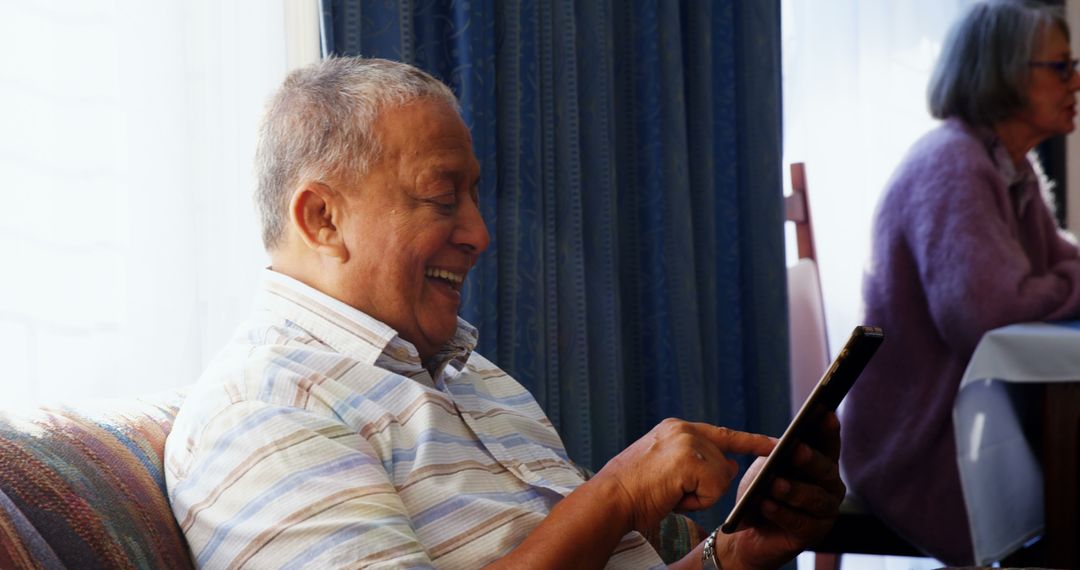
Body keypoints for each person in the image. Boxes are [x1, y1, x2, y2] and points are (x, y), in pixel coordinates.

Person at [164, 56, 844, 569]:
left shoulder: (471, 378)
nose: (479, 234)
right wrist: (613, 496)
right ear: (322, 219)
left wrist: (733, 555)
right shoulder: (265, 408)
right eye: (441, 196)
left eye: (474, 196)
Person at [841, 0, 1080, 565]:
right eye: (1061, 67)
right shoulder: (954, 165)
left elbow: (1054, 267)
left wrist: (1057, 278)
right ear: (1004, 72)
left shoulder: (1007, 165)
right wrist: (1060, 279)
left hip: (972, 420)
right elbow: (988, 312)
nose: (1076, 81)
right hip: (919, 445)